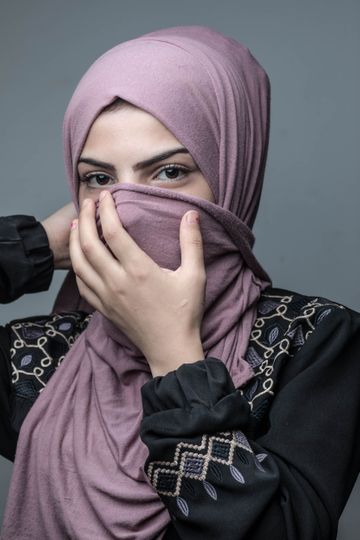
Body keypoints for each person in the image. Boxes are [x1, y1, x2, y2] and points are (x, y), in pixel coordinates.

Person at [1, 25, 359, 540]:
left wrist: (175, 356)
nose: (126, 210)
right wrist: (34, 245)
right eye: (99, 179)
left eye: (169, 173)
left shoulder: (316, 343)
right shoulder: (44, 358)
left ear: (232, 173)